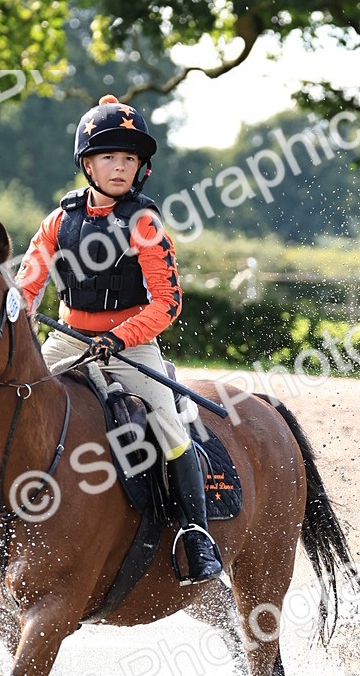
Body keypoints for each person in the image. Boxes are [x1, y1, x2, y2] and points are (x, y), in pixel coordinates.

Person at [17, 94, 223, 584]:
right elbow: (27, 285)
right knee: (16, 403)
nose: (119, 167)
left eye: (129, 158)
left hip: (130, 346)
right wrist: (19, 315)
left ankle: (196, 534)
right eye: (108, 156)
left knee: (170, 425)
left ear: (140, 168)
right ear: (87, 165)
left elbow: (167, 302)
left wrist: (119, 337)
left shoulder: (144, 223)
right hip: (68, 340)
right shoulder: (58, 221)